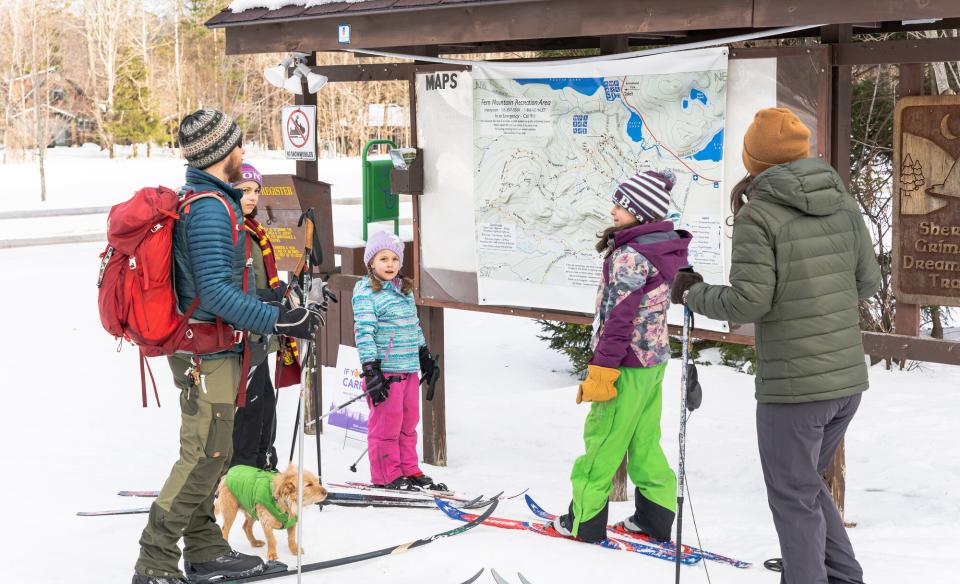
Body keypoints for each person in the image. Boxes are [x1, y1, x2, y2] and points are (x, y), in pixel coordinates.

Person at [670, 107, 880, 584]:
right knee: (804, 487)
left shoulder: (758, 215)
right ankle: (844, 578)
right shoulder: (841, 202)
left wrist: (692, 292)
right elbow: (868, 282)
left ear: (754, 160)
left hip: (795, 390)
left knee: (793, 495)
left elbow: (749, 302)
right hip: (846, 382)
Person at [133, 110, 324, 584]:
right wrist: (279, 320)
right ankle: (154, 561)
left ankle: (203, 549)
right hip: (205, 355)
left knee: (215, 454)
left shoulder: (212, 200)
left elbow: (220, 284)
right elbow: (216, 293)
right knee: (200, 456)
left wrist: (274, 306)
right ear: (220, 152)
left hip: (212, 349)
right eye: (238, 145)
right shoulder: (211, 209)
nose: (244, 153)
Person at [550, 170, 692, 543]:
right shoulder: (664, 248)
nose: (612, 210)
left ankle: (584, 521)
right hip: (653, 362)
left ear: (640, 212)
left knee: (603, 440)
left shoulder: (631, 257)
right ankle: (655, 516)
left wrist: (602, 367)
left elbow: (618, 318)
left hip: (624, 364)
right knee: (644, 441)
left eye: (621, 205)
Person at [352, 230, 443, 491]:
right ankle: (386, 474)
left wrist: (424, 356)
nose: (390, 264)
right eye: (383, 259)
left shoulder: (403, 290)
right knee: (387, 426)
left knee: (408, 423)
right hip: (386, 374)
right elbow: (364, 331)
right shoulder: (365, 292)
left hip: (409, 370)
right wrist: (371, 370)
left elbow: (413, 326)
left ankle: (408, 468)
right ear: (371, 263)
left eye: (394, 259)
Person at [228, 162, 302, 473]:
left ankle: (262, 463)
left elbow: (260, 277)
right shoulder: (231, 231)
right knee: (250, 408)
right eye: (244, 190)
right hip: (241, 334)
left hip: (260, 331)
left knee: (265, 406)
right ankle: (244, 471)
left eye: (256, 191)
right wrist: (270, 298)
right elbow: (229, 287)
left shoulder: (253, 229)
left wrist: (284, 291)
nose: (252, 197)